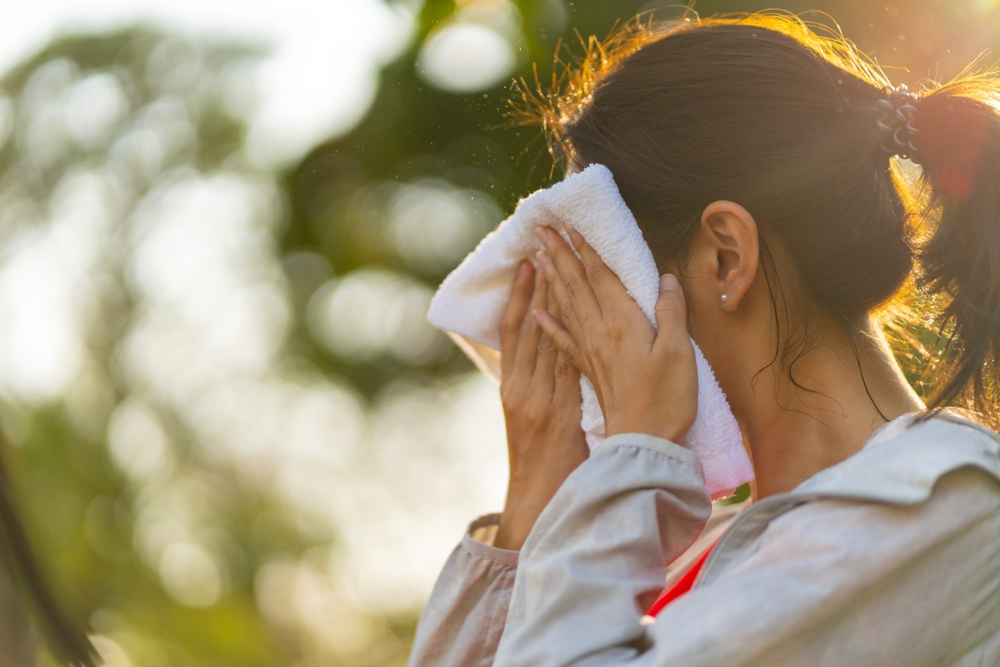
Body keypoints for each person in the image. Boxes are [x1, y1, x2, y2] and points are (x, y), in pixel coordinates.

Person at [407, 12, 1000, 667]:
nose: (583, 333)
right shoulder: (691, 549)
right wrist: (532, 503)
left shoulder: (944, 508)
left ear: (726, 258)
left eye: (602, 274)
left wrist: (630, 455)